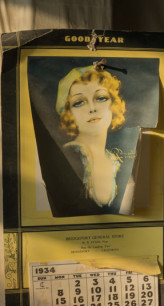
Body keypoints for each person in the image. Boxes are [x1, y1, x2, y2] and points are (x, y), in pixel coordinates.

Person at [55, 65, 127, 209]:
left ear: (113, 104)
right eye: (79, 102)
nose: (92, 108)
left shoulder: (114, 160)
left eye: (100, 98)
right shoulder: (71, 155)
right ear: (69, 114)